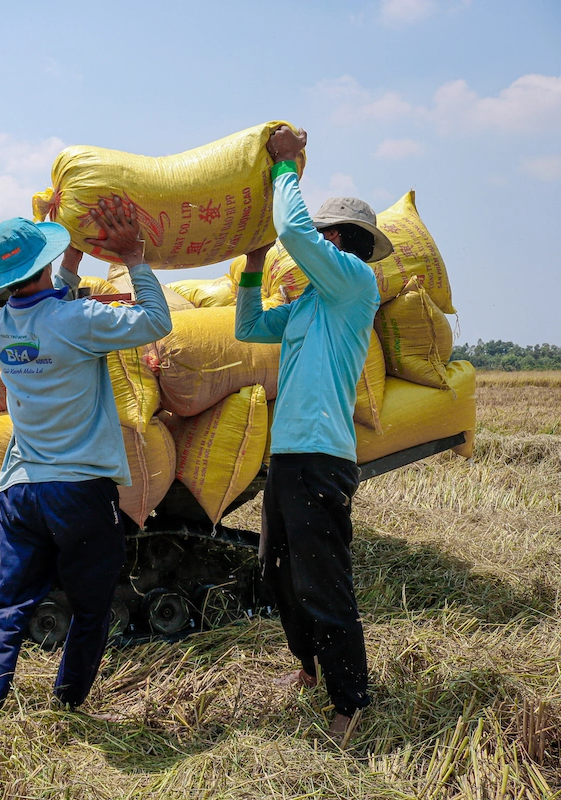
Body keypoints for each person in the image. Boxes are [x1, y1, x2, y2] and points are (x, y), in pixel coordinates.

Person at [0, 198, 172, 730]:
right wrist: (134, 258)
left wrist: (71, 259)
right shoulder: (79, 320)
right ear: (44, 263)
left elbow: (51, 303)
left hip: (21, 490)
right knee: (92, 607)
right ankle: (68, 703)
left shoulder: (5, 326)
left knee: (7, 607)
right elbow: (155, 320)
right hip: (78, 491)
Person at [235, 125, 392, 740]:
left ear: (338, 241)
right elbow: (250, 328)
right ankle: (307, 666)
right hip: (289, 456)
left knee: (322, 581)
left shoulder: (355, 283)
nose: (314, 243)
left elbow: (293, 231)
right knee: (277, 572)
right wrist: (253, 268)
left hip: (322, 456)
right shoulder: (308, 305)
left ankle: (350, 701)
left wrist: (284, 167)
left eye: (323, 235)